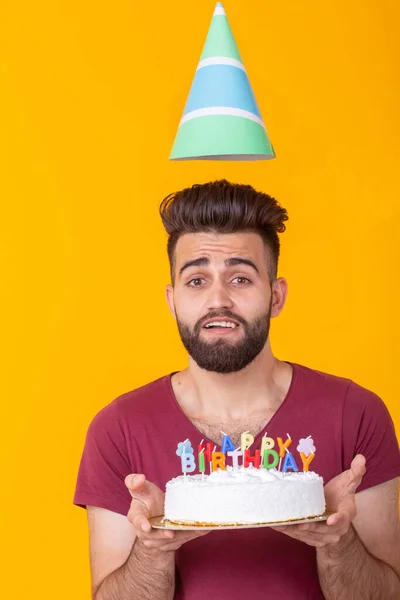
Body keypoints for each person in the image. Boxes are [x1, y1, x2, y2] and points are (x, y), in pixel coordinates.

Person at [74, 180, 400, 600]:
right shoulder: (117, 428)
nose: (218, 300)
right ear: (172, 300)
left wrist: (337, 542)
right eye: (196, 281)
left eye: (241, 278)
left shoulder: (356, 413)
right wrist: (152, 549)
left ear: (276, 296)